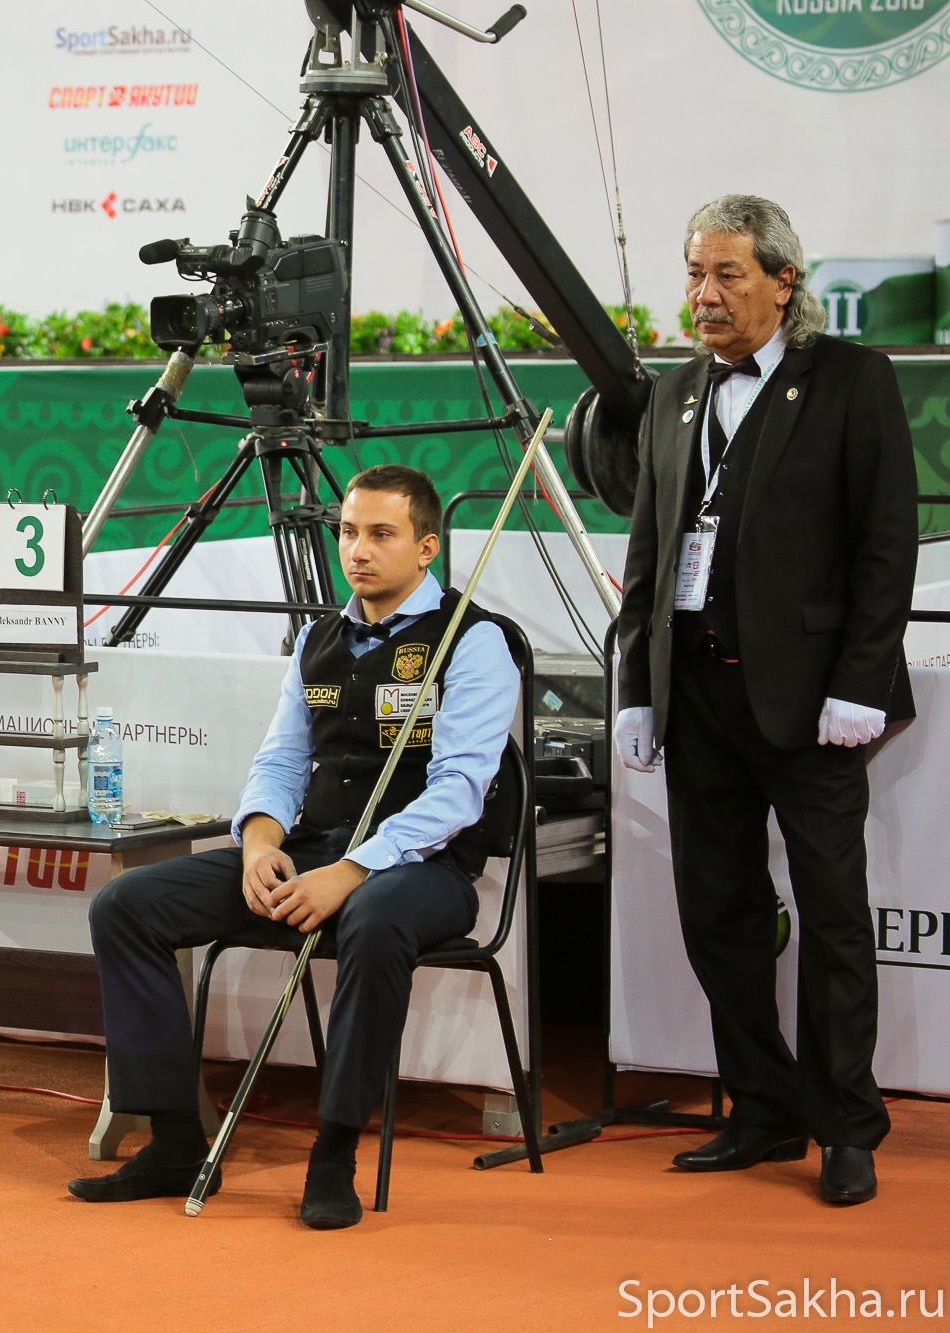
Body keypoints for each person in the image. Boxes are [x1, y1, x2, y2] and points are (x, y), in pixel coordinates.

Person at [70, 465, 518, 1230]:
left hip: (424, 869)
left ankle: (334, 1153)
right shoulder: (318, 639)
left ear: (427, 547)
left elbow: (459, 791)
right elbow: (279, 763)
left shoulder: (474, 641)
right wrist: (258, 844)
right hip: (313, 851)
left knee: (376, 917)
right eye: (349, 532)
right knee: (126, 905)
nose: (358, 550)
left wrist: (353, 870)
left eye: (381, 534)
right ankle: (175, 1141)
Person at [614, 194, 916, 1206]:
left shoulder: (852, 379)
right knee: (718, 913)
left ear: (784, 282)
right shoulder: (672, 394)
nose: (703, 294)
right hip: (696, 698)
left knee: (831, 918)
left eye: (726, 274)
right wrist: (637, 689)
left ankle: (845, 1124)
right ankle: (760, 1104)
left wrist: (859, 683)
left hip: (812, 703)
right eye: (694, 273)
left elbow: (885, 546)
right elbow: (650, 554)